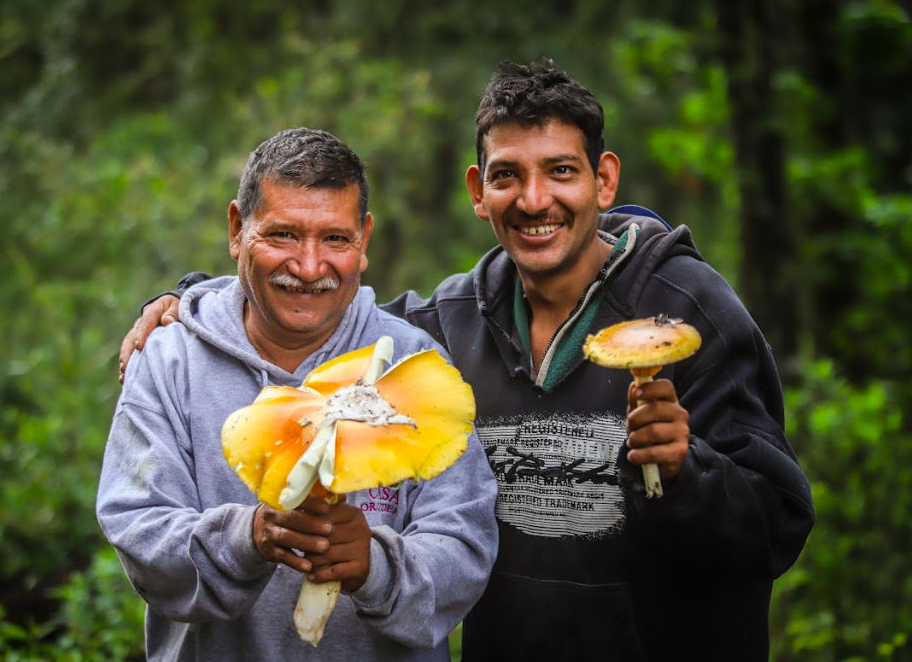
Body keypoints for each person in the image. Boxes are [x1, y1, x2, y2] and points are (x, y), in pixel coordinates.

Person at [119, 61, 815, 661]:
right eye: (508, 176)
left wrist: (688, 471)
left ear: (603, 180)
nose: (534, 199)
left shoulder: (689, 314)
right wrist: (188, 302)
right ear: (479, 191)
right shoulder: (448, 325)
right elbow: (316, 299)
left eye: (560, 171)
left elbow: (779, 524)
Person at [98, 127, 499, 662]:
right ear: (238, 230)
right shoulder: (170, 361)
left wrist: (375, 567)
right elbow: (138, 526)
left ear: (364, 240)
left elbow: (465, 542)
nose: (309, 267)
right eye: (283, 235)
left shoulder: (408, 363)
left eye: (335, 239)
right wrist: (249, 537)